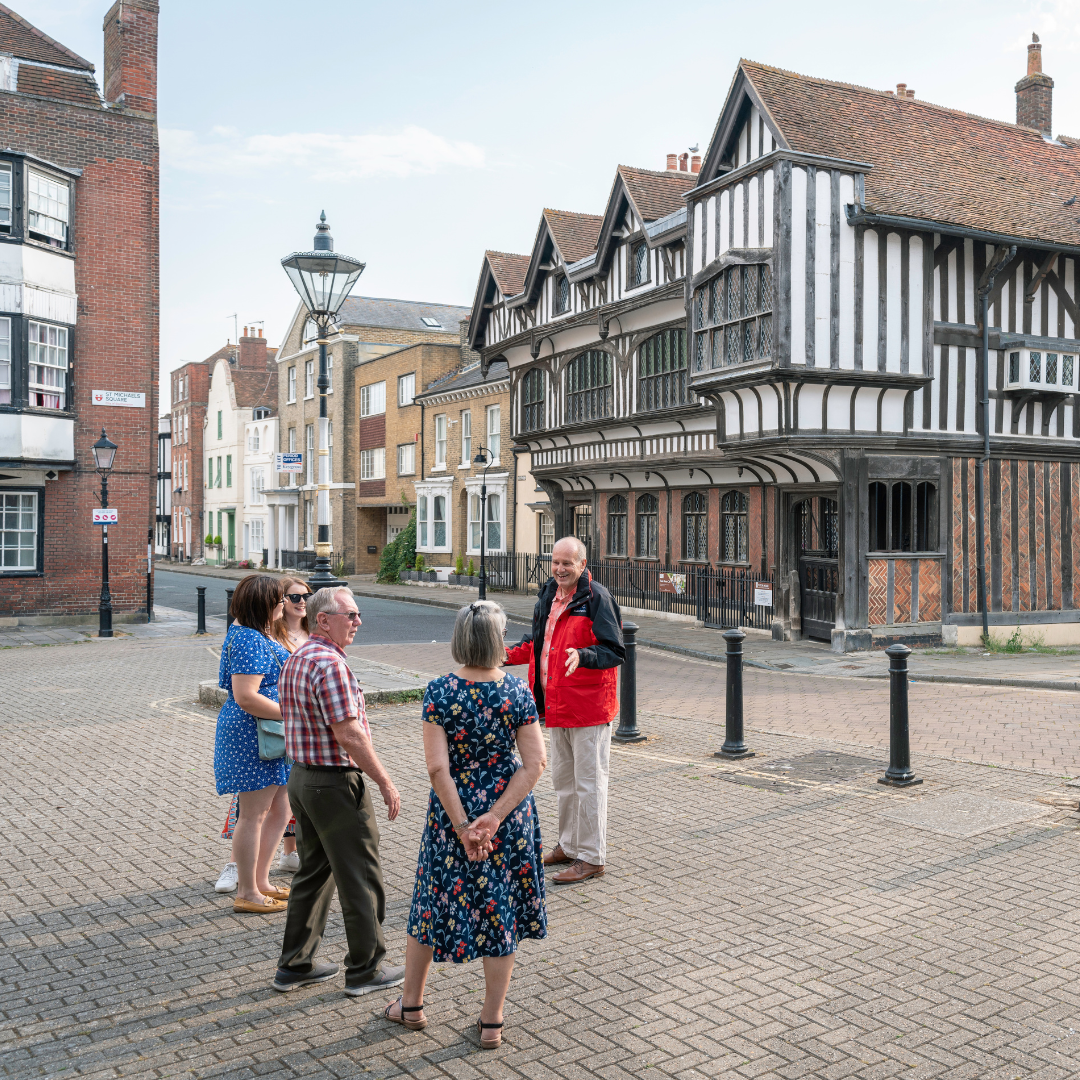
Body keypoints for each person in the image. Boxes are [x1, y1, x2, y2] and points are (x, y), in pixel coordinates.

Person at [383, 600, 546, 1049]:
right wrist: (493, 818)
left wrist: (462, 825)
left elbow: (438, 770)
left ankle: (411, 1006)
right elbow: (534, 764)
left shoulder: (439, 691)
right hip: (507, 817)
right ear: (498, 641)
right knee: (501, 909)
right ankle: (491, 1022)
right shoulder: (517, 692)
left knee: (431, 904)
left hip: (450, 814)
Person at [272, 586, 406, 996]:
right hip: (333, 783)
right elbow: (349, 733)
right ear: (323, 620)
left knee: (313, 873)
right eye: (350, 614)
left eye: (358, 614)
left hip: (303, 779)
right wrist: (384, 780)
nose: (358, 621)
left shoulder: (298, 656)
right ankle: (365, 969)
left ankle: (295, 964)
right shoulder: (330, 664)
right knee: (361, 876)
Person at [504, 536, 624, 884]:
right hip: (557, 706)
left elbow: (615, 650)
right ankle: (569, 846)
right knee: (564, 782)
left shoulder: (597, 598)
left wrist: (584, 655)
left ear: (582, 565)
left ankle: (592, 857)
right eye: (556, 562)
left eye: (567, 563)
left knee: (589, 784)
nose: (560, 569)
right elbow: (539, 642)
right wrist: (505, 654)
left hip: (589, 708)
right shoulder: (548, 595)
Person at [215, 576, 313, 892]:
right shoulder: (248, 639)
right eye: (279, 600)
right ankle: (248, 891)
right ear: (264, 604)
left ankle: (260, 881)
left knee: (280, 809)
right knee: (253, 815)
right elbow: (246, 696)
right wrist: (296, 713)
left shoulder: (250, 633)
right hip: (255, 734)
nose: (284, 605)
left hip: (268, 732)